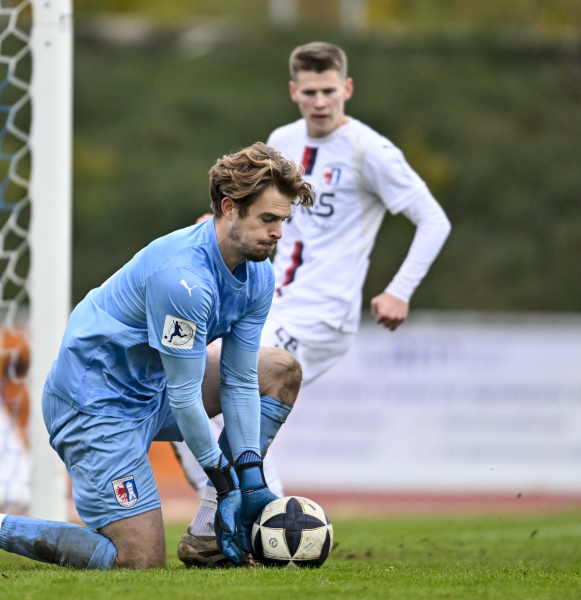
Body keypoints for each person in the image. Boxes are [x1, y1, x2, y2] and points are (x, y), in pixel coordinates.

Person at [0, 142, 314, 571]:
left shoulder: (258, 271)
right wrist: (226, 486)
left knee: (278, 370)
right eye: (268, 219)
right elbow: (185, 398)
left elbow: (240, 380)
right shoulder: (183, 280)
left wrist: (252, 480)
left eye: (282, 220)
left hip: (152, 388)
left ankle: (207, 537)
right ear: (229, 208)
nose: (278, 232)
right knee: (139, 561)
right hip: (95, 406)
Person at [175, 41, 452, 568]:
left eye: (330, 91)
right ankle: (260, 529)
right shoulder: (283, 140)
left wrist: (401, 288)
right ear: (293, 92)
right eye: (310, 92)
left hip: (322, 316)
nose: (320, 101)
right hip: (265, 301)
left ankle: (226, 530)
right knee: (190, 404)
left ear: (346, 89)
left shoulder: (371, 151)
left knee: (243, 401)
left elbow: (433, 219)